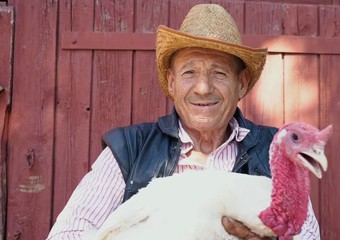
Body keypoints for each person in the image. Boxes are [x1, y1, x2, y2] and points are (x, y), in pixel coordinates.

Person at [47, 4, 321, 240]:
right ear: (172, 82)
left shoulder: (275, 155)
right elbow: (67, 235)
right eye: (189, 72)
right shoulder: (129, 151)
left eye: (219, 73)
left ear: (242, 84)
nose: (203, 87)